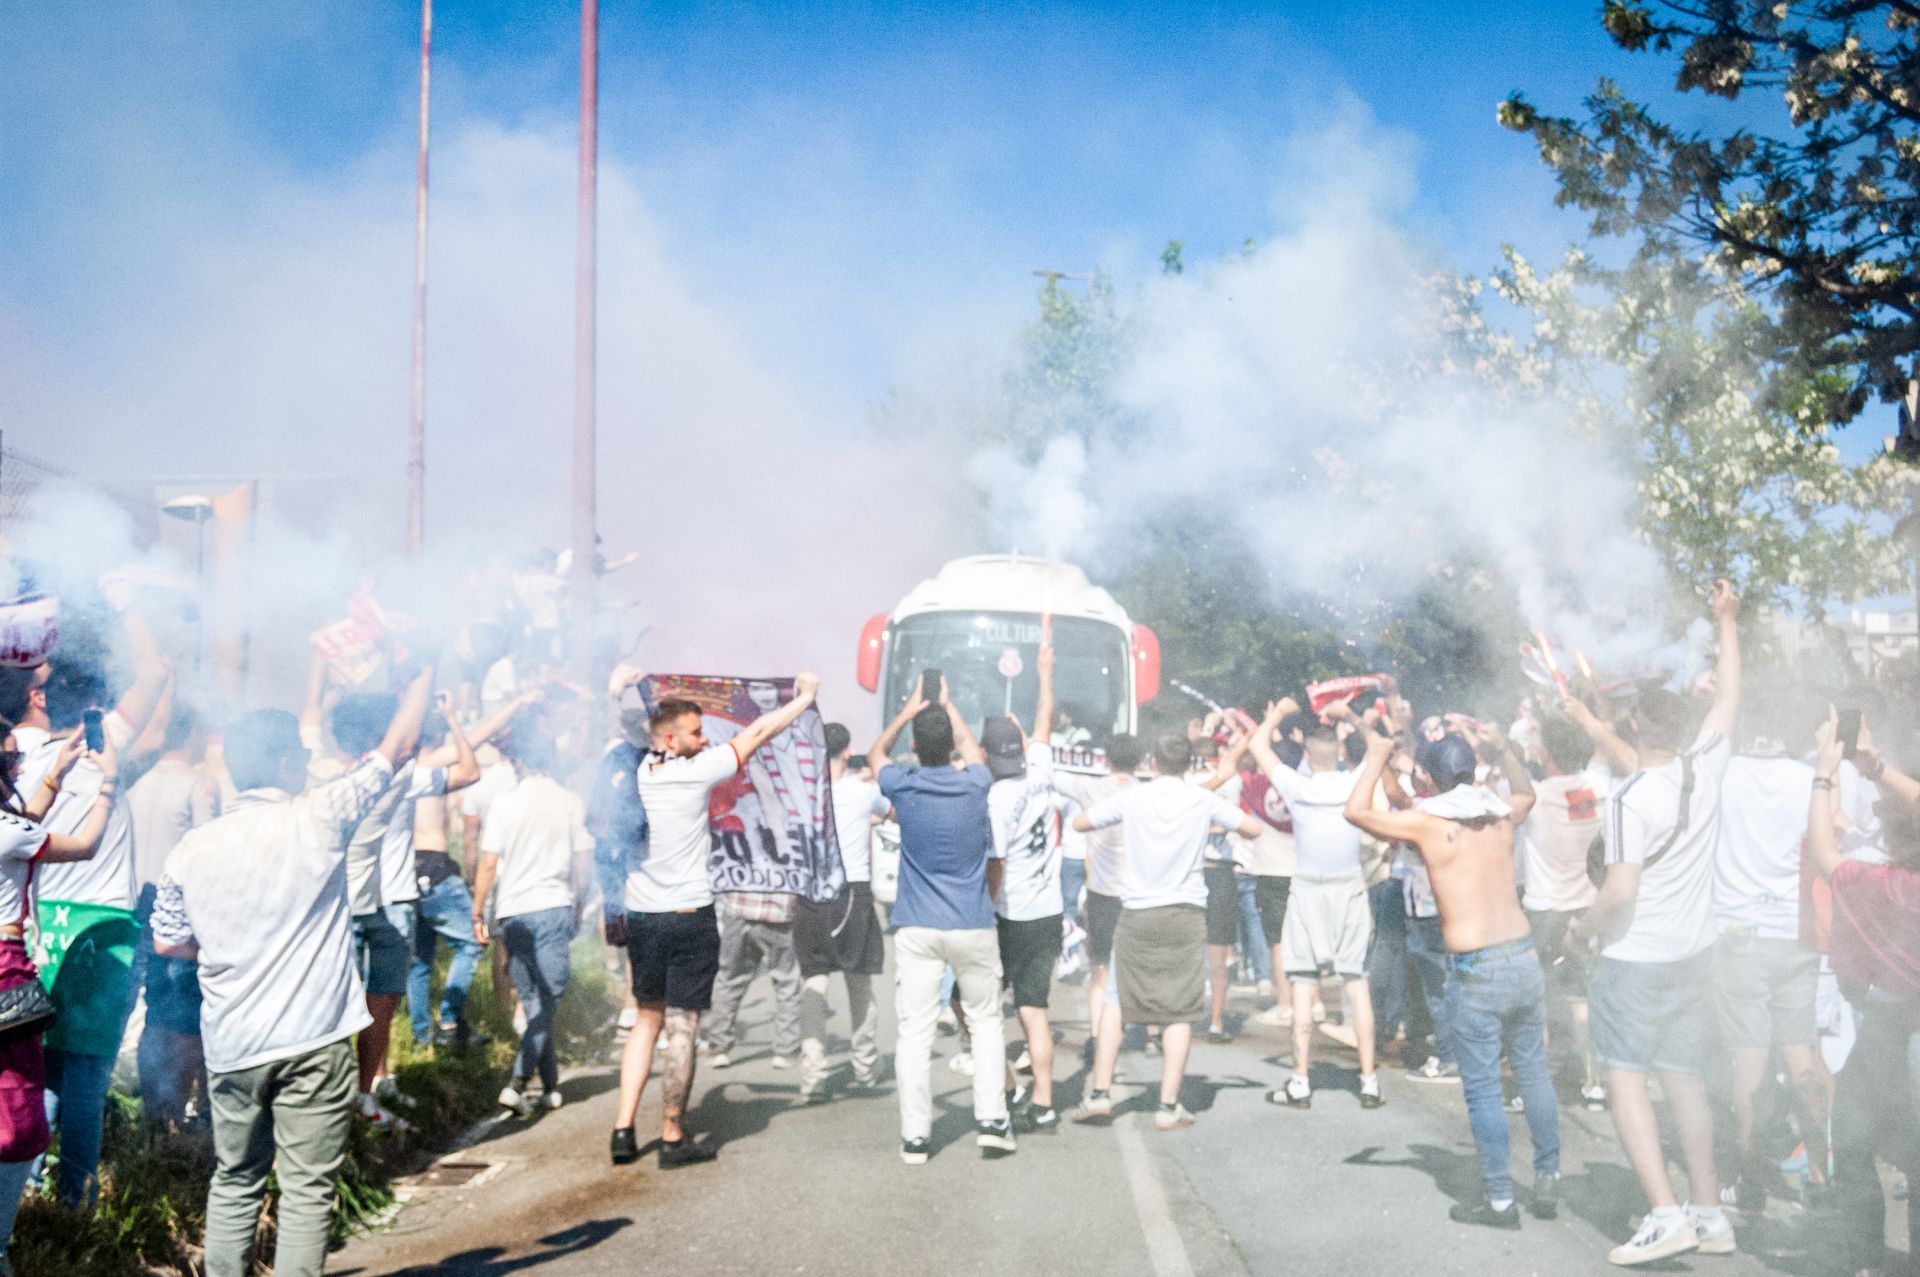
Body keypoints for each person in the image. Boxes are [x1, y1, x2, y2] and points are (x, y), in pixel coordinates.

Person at [147, 669, 432, 1277]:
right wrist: (425, 669)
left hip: (232, 1047)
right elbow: (396, 749)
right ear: (282, 763)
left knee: (235, 1181)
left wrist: (229, 949)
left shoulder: (192, 849)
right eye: (298, 757)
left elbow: (169, 941)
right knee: (305, 1193)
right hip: (312, 1040)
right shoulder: (318, 817)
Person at [1570, 579, 1741, 1266]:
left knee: (1624, 1080)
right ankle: (1710, 1211)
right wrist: (1727, 621)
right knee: (1685, 1077)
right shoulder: (1706, 766)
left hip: (1635, 958)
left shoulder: (1629, 797)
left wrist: (1581, 931)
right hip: (1694, 954)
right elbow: (1728, 697)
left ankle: (1665, 1213)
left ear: (1638, 725)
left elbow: (1619, 891)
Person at [1347, 725, 1562, 1229]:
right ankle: (1548, 1176)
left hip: (1477, 966)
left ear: (1429, 776)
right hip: (1522, 957)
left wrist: (1376, 756)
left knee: (1484, 1088)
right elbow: (1527, 791)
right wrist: (1506, 751)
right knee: (1533, 1073)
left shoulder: (1428, 824)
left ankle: (1501, 1200)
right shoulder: (1501, 814)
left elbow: (1356, 812)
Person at [610, 674, 820, 1169]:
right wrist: (805, 698)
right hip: (688, 916)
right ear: (669, 738)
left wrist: (615, 685)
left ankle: (622, 1130)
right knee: (682, 1026)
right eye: (696, 732)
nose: (705, 740)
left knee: (646, 1020)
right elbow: (760, 732)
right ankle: (671, 1135)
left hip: (642, 915)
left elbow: (618, 725)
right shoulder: (696, 771)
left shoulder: (639, 771)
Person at [2, 608, 170, 1209]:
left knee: (36, 1064)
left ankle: (30, 1191)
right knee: (89, 1069)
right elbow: (156, 672)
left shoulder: (9, 755)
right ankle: (75, 1201)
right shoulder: (97, 746)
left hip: (33, 928)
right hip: (101, 925)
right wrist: (125, 603)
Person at [1071, 732, 1261, 1130]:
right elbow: (1252, 829)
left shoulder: (1133, 798)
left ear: (1152, 763)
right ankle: (1168, 1105)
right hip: (1185, 913)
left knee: (1116, 1000)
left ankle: (1102, 1093)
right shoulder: (1201, 799)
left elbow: (1081, 822)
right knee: (1179, 1009)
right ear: (1190, 765)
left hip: (1137, 911)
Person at [867, 676, 1013, 1165]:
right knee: (987, 1023)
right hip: (973, 923)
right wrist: (950, 708)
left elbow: (874, 755)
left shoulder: (903, 785)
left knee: (915, 1033)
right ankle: (992, 1123)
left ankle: (915, 1137)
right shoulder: (975, 782)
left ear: (914, 746)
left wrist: (909, 710)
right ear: (951, 743)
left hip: (917, 926)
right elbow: (974, 751)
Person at [0, 719, 124, 1273]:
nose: (17, 770)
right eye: (9, 764)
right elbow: (86, 846)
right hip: (4, 976)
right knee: (18, 1119)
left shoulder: (9, 828)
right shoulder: (8, 832)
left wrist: (57, 771)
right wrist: (107, 787)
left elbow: (19, 823)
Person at [1807, 709, 1920, 1277]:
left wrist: (1826, 775)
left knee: (1851, 1140)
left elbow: (1824, 851)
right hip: (1897, 1035)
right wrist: (1877, 770)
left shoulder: (1882, 888)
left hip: (1889, 1036)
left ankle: (1865, 1261)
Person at [1713, 716, 1828, 1211]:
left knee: (1749, 1055)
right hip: (1795, 929)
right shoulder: (1807, 779)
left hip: (1739, 931)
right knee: (1801, 1049)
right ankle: (1822, 1175)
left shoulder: (1723, 772)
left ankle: (1751, 1178)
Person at [1248, 699, 1383, 1110]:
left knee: (1304, 986)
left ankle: (1300, 1080)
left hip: (1308, 890)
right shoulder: (1353, 784)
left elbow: (1257, 745)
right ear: (1340, 753)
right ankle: (1369, 1081)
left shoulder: (1298, 786)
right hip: (1348, 887)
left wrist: (1277, 714)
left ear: (1307, 755)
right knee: (1355, 984)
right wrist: (1353, 718)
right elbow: (1380, 747)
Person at [468, 716, 592, 1116]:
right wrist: (579, 902)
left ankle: (551, 1087)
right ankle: (519, 1081)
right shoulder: (570, 801)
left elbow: (488, 865)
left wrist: (477, 912)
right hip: (553, 905)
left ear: (519, 761)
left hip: (512, 912)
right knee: (547, 1000)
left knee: (537, 1000)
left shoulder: (504, 805)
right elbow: (582, 862)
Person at [407, 691, 536, 1052]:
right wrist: (458, 718)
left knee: (420, 960)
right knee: (471, 941)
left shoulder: (399, 767)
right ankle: (448, 1022)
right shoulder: (427, 762)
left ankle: (421, 1038)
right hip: (433, 866)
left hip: (407, 870)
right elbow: (475, 743)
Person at [127, 707, 221, 1126]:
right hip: (180, 913)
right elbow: (209, 851)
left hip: (134, 905)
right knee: (184, 1014)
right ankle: (179, 1113)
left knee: (154, 1012)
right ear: (194, 733)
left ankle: (156, 1111)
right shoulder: (198, 783)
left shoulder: (135, 781)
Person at [982, 646, 1061, 1128]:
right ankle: (1046, 1102)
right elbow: (1045, 716)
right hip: (1047, 909)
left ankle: (1009, 1083)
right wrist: (1045, 673)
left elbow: (996, 864)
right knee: (1035, 1010)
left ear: (989, 754)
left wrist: (985, 909)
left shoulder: (996, 796)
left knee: (982, 1007)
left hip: (1010, 914)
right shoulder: (1042, 771)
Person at [793, 723, 890, 1102]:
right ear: (847, 752)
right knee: (860, 980)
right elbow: (891, 812)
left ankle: (812, 1073)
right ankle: (865, 1064)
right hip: (853, 891)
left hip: (811, 892)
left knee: (814, 981)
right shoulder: (865, 792)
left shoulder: (803, 793)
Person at [1521, 710, 1607, 1109]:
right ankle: (1593, 1082)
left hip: (1548, 909)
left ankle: (1546, 1080)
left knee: (1542, 997)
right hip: (1588, 906)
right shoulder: (1598, 788)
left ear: (1547, 753)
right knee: (1583, 995)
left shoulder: (1535, 797)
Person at [1055, 735, 1143, 1054]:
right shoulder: (1144, 792)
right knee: (1132, 966)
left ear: (1106, 760)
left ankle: (1097, 1032)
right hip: (1137, 895)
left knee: (1100, 968)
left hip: (1102, 893)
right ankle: (1128, 1027)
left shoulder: (1091, 787)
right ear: (1140, 761)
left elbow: (1053, 776)